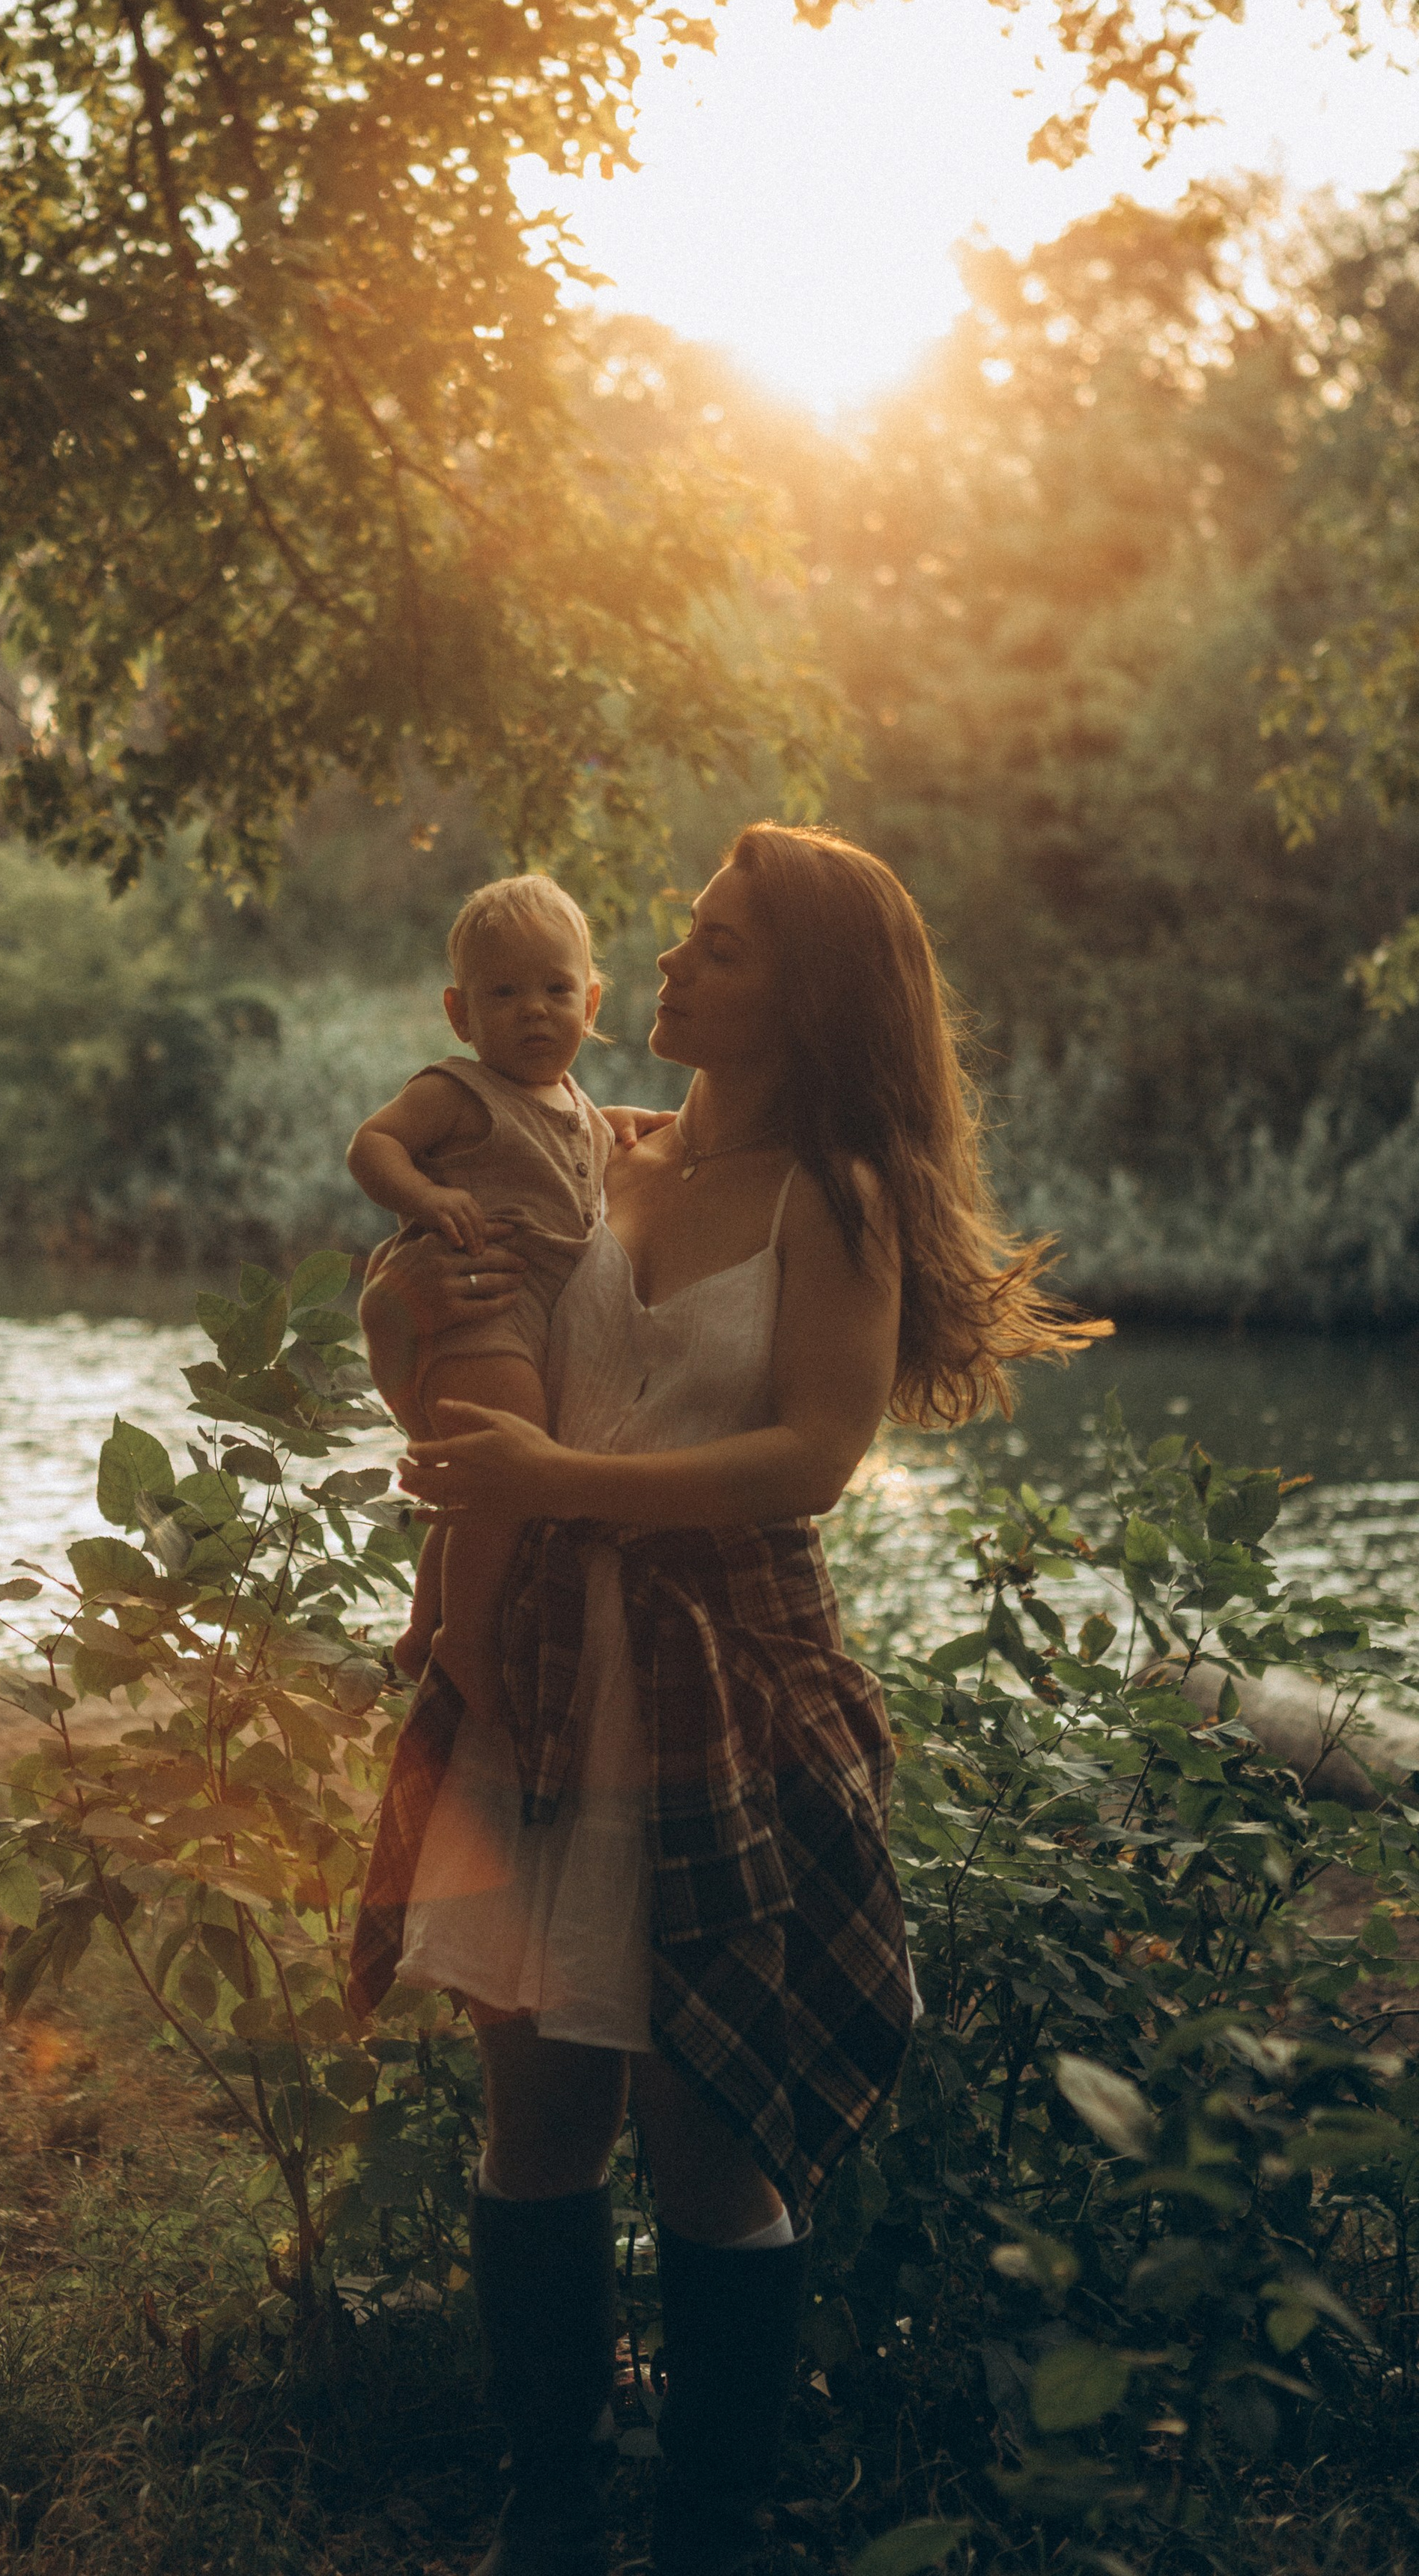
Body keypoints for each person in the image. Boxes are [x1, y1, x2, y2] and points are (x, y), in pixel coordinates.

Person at [350, 822, 1108, 2576]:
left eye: (715, 947)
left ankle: (711, 2527)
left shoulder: (831, 1195)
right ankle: (550, 2508)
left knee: (714, 2137)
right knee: (533, 2112)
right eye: (680, 938)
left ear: (806, 995)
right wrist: (423, 1344)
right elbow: (428, 1318)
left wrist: (551, 1472)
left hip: (721, 1688)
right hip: (530, 1668)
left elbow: (808, 1458)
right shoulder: (589, 1155)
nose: (666, 969)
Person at [347, 874, 657, 1720]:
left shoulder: (576, 1102)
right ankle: (467, 1640)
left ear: (590, 1001)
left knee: (475, 1493)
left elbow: (583, 1142)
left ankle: (419, 1634)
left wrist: (630, 1121)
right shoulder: (455, 1092)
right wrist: (424, 1198)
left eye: (556, 989)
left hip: (530, 1327)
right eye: (504, 992)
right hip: (481, 1321)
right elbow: (371, 1143)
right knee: (501, 1480)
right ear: (460, 1014)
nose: (533, 1011)